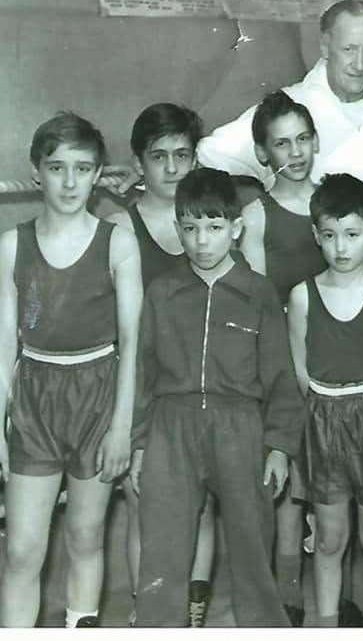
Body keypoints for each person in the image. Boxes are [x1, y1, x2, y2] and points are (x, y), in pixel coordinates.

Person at [198, 0, 363, 551]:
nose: (359, 61)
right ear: (324, 45)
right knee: (319, 396)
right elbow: (212, 150)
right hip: (324, 267)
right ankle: (319, 530)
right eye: (348, 48)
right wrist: (268, 174)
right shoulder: (297, 105)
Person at [131, 168, 302, 627]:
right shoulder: (162, 292)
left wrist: (280, 446)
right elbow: (143, 372)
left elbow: (283, 378)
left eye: (213, 227)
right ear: (178, 228)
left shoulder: (258, 293)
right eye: (189, 228)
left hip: (240, 427)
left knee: (252, 551)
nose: (201, 241)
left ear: (236, 228)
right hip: (171, 426)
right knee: (162, 554)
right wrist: (139, 443)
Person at [0, 113, 142, 627]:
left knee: (86, 535)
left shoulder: (118, 243)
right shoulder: (12, 246)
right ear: (37, 171)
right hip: (36, 397)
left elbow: (132, 344)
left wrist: (122, 427)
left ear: (98, 173)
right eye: (56, 167)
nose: (68, 181)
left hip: (97, 396)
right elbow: (2, 350)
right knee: (20, 549)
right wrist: (0, 426)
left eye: (82, 169)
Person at [105, 103, 217, 627]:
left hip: (207, 383)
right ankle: (145, 612)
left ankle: (191, 618)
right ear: (139, 163)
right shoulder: (118, 225)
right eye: (158, 157)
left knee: (204, 503)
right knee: (141, 498)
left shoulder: (212, 218)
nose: (172, 169)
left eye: (183, 156)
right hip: (147, 384)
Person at [286, 173, 363, 627]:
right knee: (329, 540)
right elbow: (301, 369)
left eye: (352, 235)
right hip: (324, 422)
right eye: (331, 236)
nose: (341, 247)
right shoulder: (303, 297)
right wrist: (327, 410)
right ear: (317, 235)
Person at [237, 90, 327, 627]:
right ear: (264, 154)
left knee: (335, 482)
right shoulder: (256, 214)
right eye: (281, 144)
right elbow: (254, 307)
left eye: (302, 140)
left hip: (339, 363)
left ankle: (334, 587)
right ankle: (288, 596)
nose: (294, 152)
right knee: (290, 485)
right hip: (281, 365)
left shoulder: (335, 203)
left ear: (315, 141)